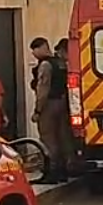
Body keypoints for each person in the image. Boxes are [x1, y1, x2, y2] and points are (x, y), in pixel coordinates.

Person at [30, 37, 74, 183]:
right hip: (62, 103)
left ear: (43, 47)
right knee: (62, 137)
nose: (34, 54)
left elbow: (43, 88)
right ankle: (63, 170)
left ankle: (52, 172)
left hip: (49, 104)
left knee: (48, 138)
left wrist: (37, 110)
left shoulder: (46, 65)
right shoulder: (61, 64)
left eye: (35, 50)